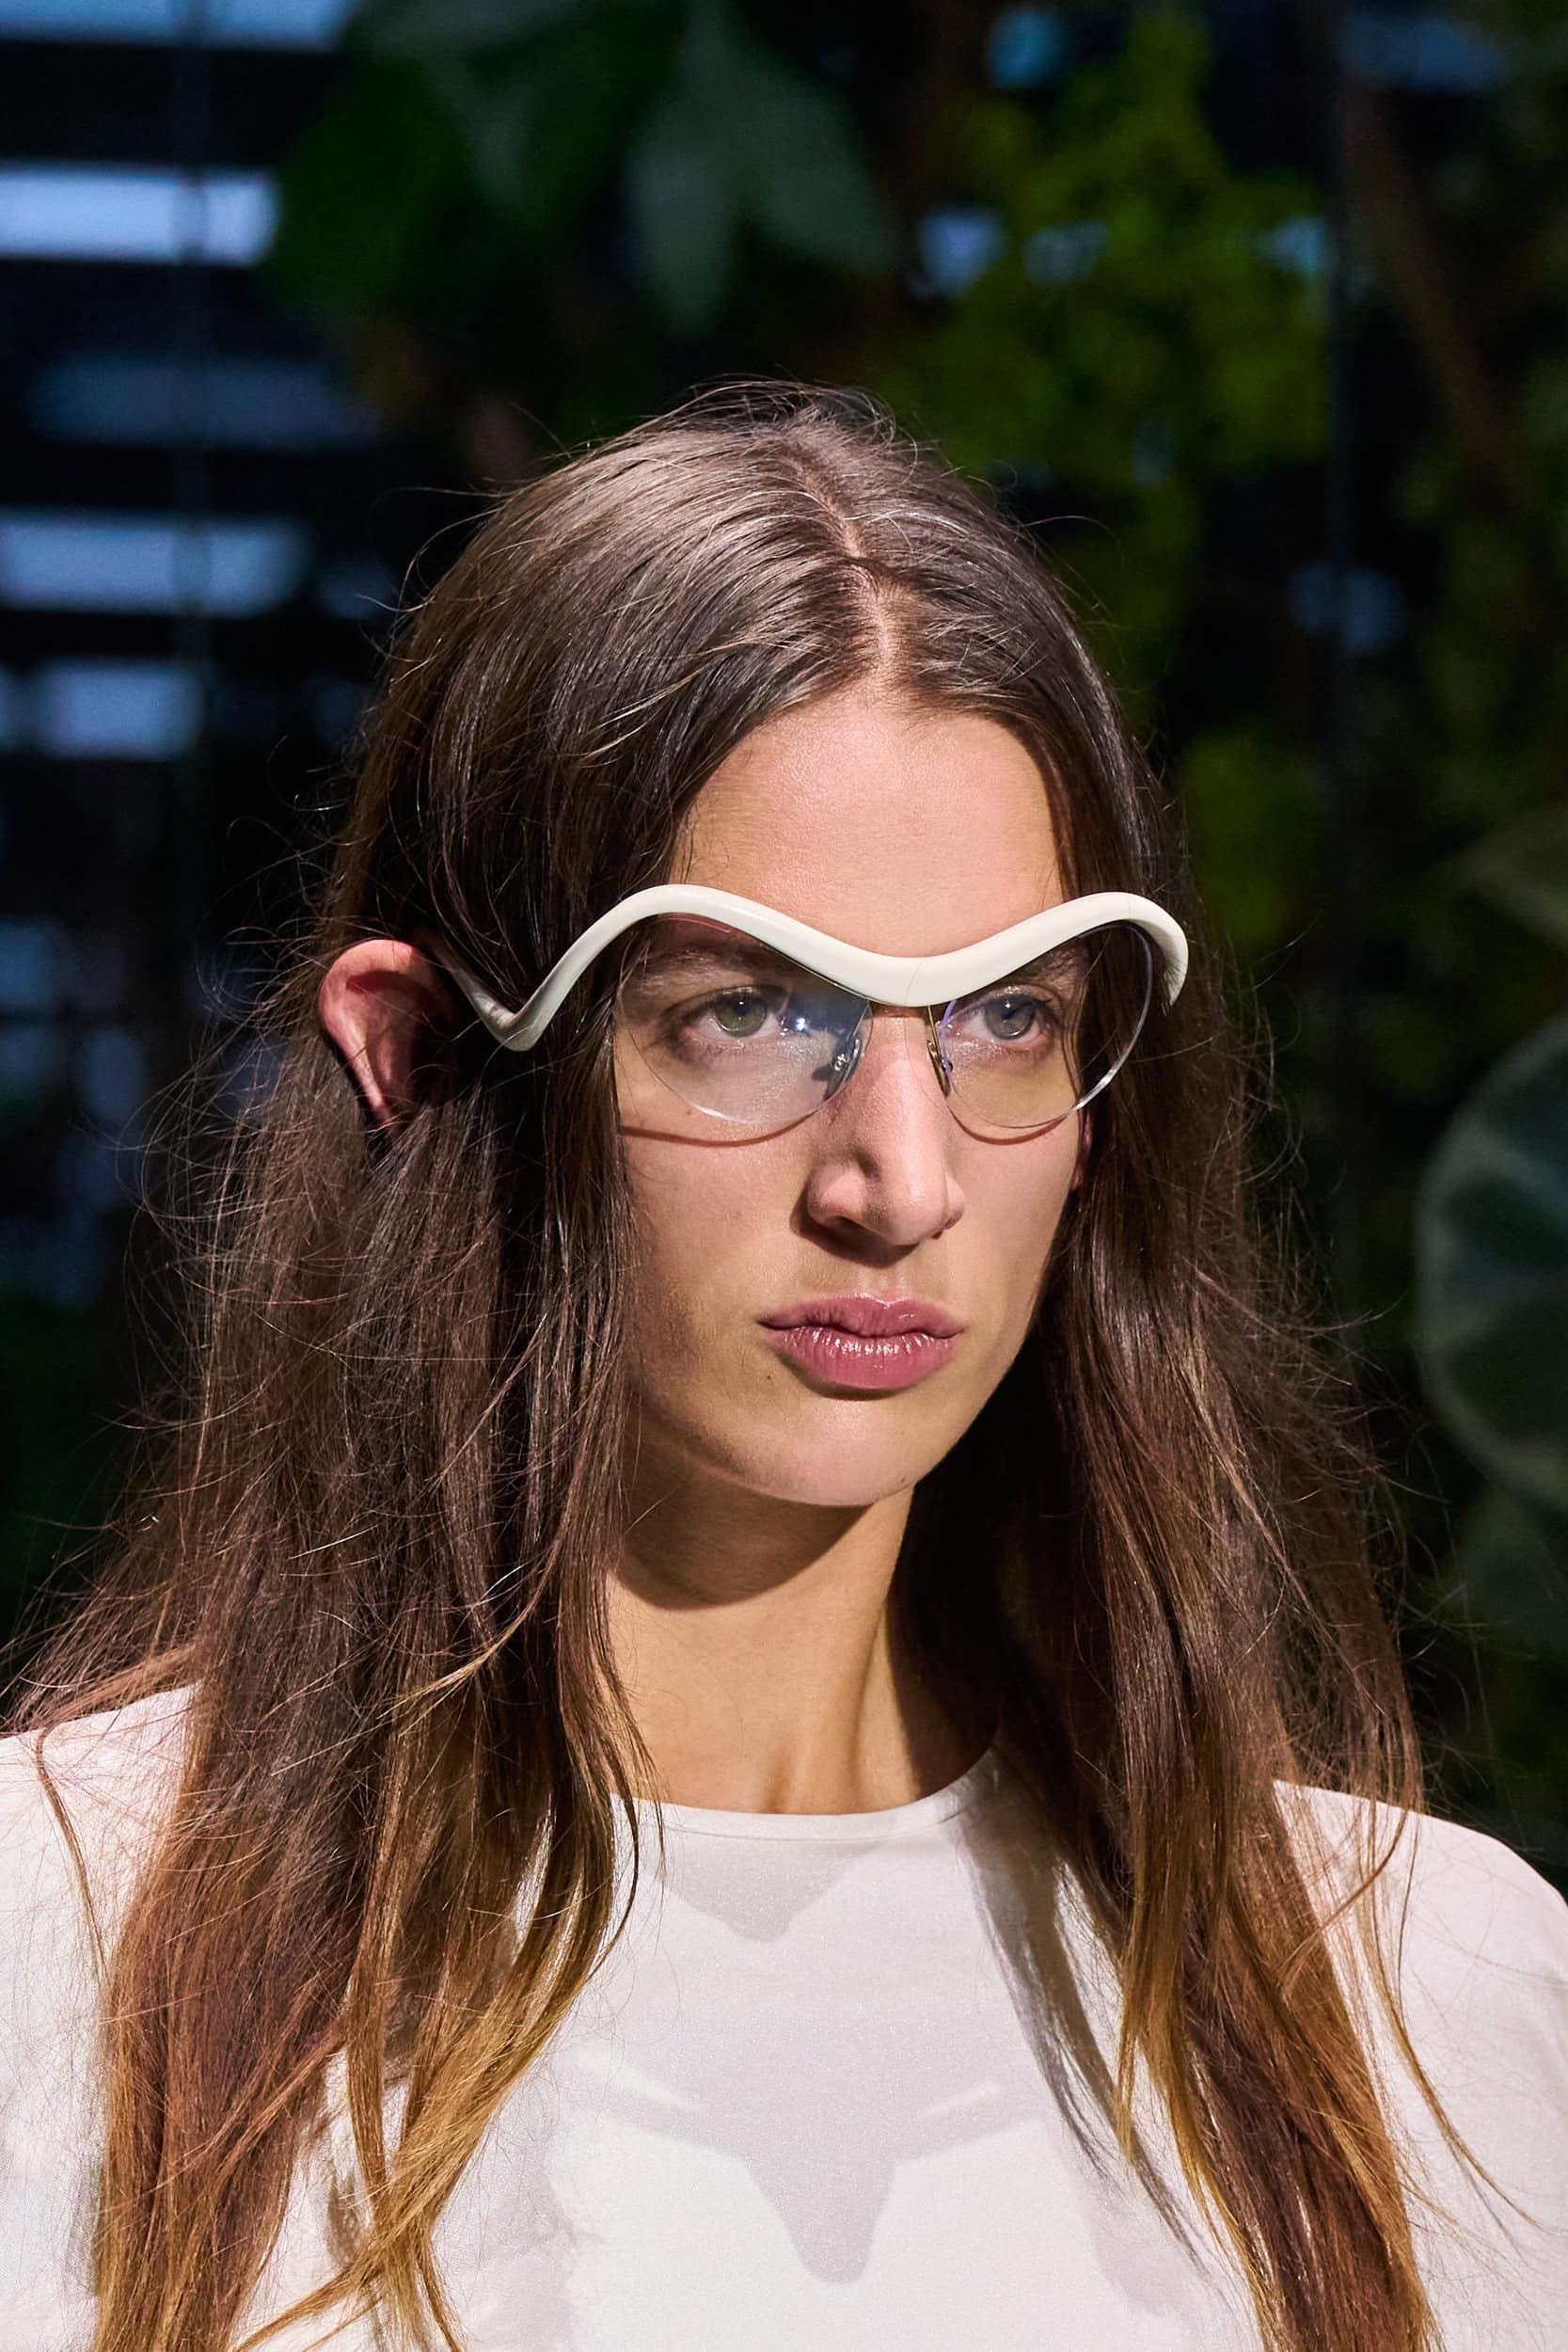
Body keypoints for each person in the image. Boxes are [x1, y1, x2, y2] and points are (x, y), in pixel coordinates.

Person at [1, 385, 1564, 2352]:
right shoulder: (66, 1956)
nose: (901, 1180)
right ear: (416, 1048)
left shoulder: (1413, 1997)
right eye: (746, 1010)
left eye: (1007, 1014)